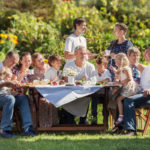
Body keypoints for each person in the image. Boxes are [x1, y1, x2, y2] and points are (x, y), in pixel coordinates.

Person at [114, 47, 150, 136]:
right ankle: (120, 127)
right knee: (121, 100)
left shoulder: (144, 68)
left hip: (147, 95)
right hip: (141, 93)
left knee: (128, 100)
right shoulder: (146, 69)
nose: (145, 55)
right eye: (145, 53)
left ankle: (131, 130)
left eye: (147, 53)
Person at [62, 46, 95, 124]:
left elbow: (94, 80)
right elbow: (65, 79)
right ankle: (70, 121)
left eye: (85, 53)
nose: (83, 55)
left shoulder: (90, 66)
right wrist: (75, 81)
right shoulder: (69, 64)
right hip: (70, 93)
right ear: (75, 54)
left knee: (87, 98)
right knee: (65, 99)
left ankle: (82, 121)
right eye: (81, 53)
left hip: (85, 93)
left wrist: (84, 81)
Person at [12, 52, 36, 136]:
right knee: (24, 99)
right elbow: (12, 85)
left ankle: (31, 127)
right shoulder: (15, 70)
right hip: (12, 96)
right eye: (25, 61)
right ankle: (27, 129)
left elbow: (25, 88)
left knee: (29, 98)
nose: (28, 63)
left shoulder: (29, 73)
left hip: (21, 95)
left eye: (29, 61)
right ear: (21, 61)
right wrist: (21, 75)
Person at [111, 53, 137, 125]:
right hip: (126, 88)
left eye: (116, 61)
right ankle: (120, 116)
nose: (115, 63)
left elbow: (129, 78)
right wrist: (114, 70)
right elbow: (118, 72)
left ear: (120, 61)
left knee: (118, 99)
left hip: (129, 88)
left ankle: (121, 116)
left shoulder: (126, 68)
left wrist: (121, 82)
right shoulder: (122, 68)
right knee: (115, 96)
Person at [90, 57, 111, 124]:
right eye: (97, 67)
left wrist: (99, 82)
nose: (98, 69)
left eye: (100, 67)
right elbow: (90, 80)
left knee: (105, 106)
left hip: (105, 94)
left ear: (105, 66)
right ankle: (94, 117)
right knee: (93, 101)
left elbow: (107, 80)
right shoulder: (94, 72)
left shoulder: (106, 72)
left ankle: (105, 120)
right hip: (96, 94)